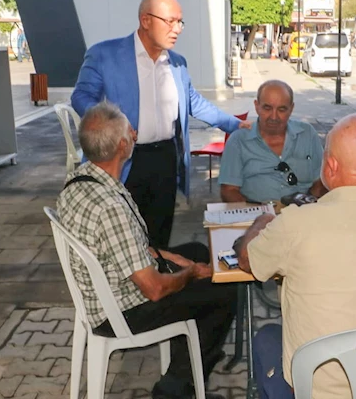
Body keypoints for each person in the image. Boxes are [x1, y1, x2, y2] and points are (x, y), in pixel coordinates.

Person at [233, 113, 356, 399]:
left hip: (317, 390)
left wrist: (260, 223)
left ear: (331, 165)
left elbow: (248, 261)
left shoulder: (296, 223)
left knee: (265, 338)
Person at [57, 101, 235, 399]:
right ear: (123, 145)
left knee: (196, 249)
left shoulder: (80, 180)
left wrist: (174, 258)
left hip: (106, 285)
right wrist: (190, 273)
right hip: (120, 310)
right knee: (224, 290)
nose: (136, 133)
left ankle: (185, 360)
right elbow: (153, 289)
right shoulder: (110, 207)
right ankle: (176, 388)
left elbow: (125, 247)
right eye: (131, 130)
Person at [71, 0, 251, 248]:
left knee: (158, 238)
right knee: (120, 237)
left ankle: (159, 282)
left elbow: (194, 103)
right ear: (146, 20)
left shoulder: (177, 63)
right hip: (121, 159)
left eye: (180, 22)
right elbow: (81, 96)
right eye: (170, 21)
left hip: (165, 159)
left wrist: (234, 124)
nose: (177, 28)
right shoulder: (104, 54)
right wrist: (111, 123)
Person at [219, 80, 327, 203]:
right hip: (256, 215)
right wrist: (254, 214)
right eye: (267, 108)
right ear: (256, 106)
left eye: (281, 109)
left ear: (291, 109)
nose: (274, 117)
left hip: (301, 215)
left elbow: (320, 183)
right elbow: (229, 191)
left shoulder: (307, 134)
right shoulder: (238, 141)